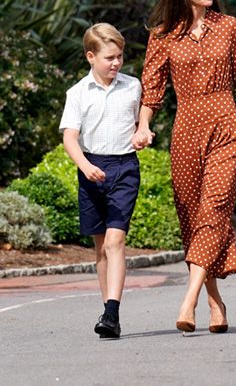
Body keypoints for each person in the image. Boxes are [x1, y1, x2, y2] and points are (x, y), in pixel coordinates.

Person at [132, 0, 236, 334]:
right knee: (194, 218)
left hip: (226, 126)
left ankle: (189, 300)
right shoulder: (163, 34)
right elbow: (152, 89)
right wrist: (144, 126)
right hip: (185, 132)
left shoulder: (228, 27)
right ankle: (217, 303)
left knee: (214, 210)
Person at [60, 23, 142, 339]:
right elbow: (70, 137)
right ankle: (110, 315)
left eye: (120, 56)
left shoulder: (132, 87)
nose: (116, 63)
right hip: (91, 168)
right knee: (100, 249)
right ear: (90, 57)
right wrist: (84, 165)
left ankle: (111, 311)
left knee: (115, 241)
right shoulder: (78, 93)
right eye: (109, 57)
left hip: (124, 169)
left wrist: (142, 132)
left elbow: (140, 122)